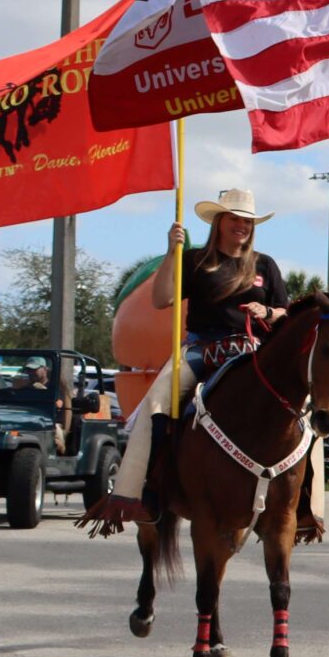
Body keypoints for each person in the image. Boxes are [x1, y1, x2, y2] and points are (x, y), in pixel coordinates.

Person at [96, 185, 292, 523]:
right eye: (234, 218)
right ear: (219, 221)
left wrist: (267, 312)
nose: (241, 226)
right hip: (204, 349)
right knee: (157, 402)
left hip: (251, 350)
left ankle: (302, 505)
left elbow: (285, 312)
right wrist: (172, 253)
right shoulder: (197, 260)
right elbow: (161, 300)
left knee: (299, 407)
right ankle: (145, 490)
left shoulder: (265, 265)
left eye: (247, 221)